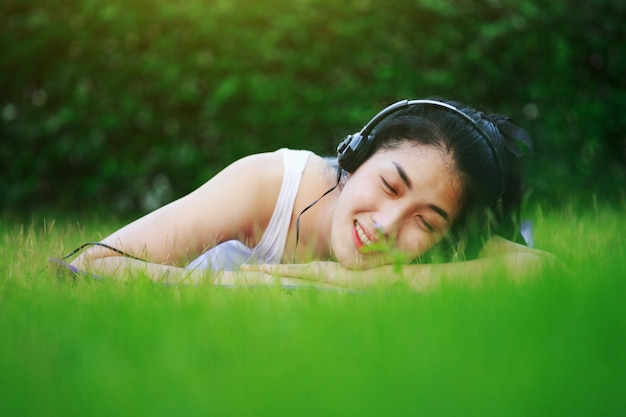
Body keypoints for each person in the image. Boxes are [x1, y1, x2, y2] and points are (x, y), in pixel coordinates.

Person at [64, 98, 552, 291]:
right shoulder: (270, 183)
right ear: (357, 156)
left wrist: (330, 282)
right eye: (388, 185)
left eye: (426, 221)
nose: (385, 225)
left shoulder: (443, 249)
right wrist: (256, 290)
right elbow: (89, 267)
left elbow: (547, 274)